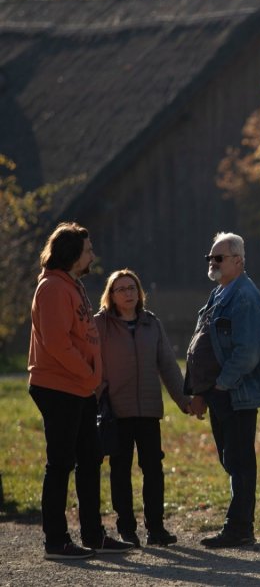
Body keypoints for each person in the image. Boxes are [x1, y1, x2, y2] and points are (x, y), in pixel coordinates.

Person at [27, 222, 135, 559]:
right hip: (59, 386)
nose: (92, 255)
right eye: (88, 250)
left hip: (80, 387)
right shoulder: (53, 289)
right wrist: (89, 376)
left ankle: (93, 535)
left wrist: (90, 379)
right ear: (73, 254)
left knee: (90, 459)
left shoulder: (71, 285)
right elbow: (57, 343)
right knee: (60, 463)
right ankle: (55, 541)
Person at [184, 232, 260, 548]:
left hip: (235, 392)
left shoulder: (244, 297)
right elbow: (202, 342)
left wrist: (221, 385)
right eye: (210, 257)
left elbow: (247, 353)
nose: (213, 262)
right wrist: (200, 390)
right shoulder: (220, 293)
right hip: (219, 391)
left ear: (238, 260)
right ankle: (240, 525)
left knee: (239, 460)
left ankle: (239, 528)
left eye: (218, 257)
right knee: (231, 458)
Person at [95, 269, 189, 548]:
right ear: (110, 295)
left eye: (132, 287)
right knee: (120, 469)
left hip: (148, 410)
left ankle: (156, 528)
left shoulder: (151, 323)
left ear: (140, 292)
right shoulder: (101, 324)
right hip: (115, 411)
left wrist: (184, 400)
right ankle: (126, 528)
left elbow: (168, 366)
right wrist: (98, 395)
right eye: (121, 288)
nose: (128, 293)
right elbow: (92, 362)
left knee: (153, 469)